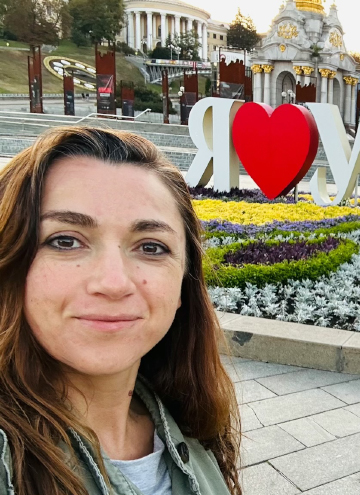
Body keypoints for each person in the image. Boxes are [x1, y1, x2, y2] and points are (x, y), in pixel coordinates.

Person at [0, 127, 240, 494]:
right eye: (65, 241)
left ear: (182, 284)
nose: (114, 283)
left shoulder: (190, 422)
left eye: (151, 248)